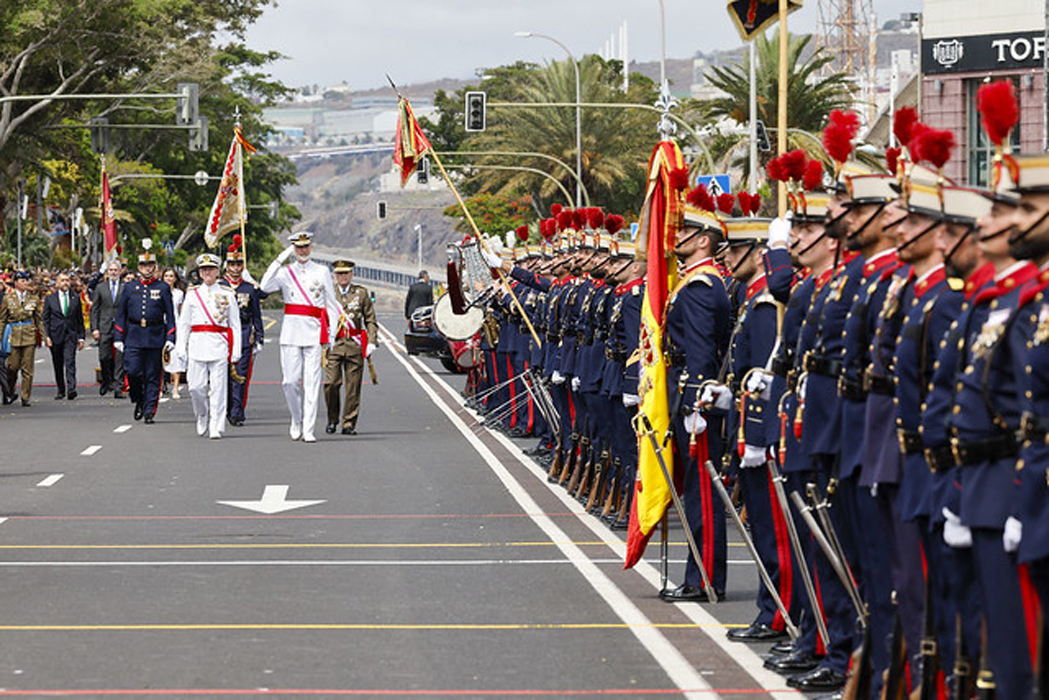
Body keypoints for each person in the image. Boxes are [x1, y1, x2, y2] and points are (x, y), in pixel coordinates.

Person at [260, 230, 341, 443]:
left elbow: (331, 305)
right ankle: (296, 418)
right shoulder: (285, 272)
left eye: (305, 246)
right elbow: (264, 286)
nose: (303, 251)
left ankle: (308, 428)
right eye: (298, 247)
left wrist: (331, 335)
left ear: (311, 247)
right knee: (289, 382)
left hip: (314, 333)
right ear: (293, 249)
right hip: (291, 333)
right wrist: (279, 259)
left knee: (312, 383)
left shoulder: (322, 271)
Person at [175, 253, 241, 439]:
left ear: (218, 271)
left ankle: (216, 425)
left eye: (211, 269)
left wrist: (235, 351)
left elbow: (235, 325)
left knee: (219, 389)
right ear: (200, 273)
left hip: (219, 344)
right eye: (204, 270)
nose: (207, 273)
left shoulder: (227, 294)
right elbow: (184, 324)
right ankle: (202, 414)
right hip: (197, 345)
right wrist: (181, 347)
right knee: (196, 388)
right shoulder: (193, 294)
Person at [114, 239, 176, 424]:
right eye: (143, 264)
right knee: (132, 372)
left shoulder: (162, 287)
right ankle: (138, 399)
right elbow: (121, 314)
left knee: (152, 375)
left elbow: (170, 315)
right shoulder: (130, 287)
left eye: (150, 265)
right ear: (139, 266)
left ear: (154, 266)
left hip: (155, 335)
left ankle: (149, 409)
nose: (146, 268)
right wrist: (118, 336)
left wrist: (171, 337)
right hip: (133, 335)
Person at [324, 260, 378, 435]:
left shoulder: (360, 293)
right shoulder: (328, 293)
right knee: (331, 384)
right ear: (334, 276)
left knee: (353, 388)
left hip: (354, 344)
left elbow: (370, 319)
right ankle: (332, 419)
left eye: (346, 273)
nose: (342, 277)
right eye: (339, 274)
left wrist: (371, 341)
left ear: (351, 274)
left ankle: (348, 423)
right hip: (334, 344)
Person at [219, 234, 266, 427]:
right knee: (222, 375)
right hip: (223, 333)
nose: (235, 269)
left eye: (239, 265)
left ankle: (237, 412)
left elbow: (257, 314)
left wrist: (260, 337)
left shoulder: (249, 288)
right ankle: (225, 408)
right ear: (226, 266)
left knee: (239, 375)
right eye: (232, 265)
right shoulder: (219, 287)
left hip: (244, 333)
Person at [0, 270, 45, 406]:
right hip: (12, 335)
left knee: (28, 369)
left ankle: (25, 397)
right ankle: (10, 390)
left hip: (28, 335)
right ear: (16, 283)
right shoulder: (8, 299)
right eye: (22, 281)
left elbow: (39, 320)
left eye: (26, 281)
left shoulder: (33, 298)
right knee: (12, 366)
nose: (25, 283)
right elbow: (2, 320)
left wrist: (43, 336)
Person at [42, 270, 85, 400]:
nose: (65, 283)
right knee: (58, 363)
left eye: (67, 280)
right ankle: (61, 389)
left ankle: (72, 388)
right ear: (57, 283)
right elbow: (46, 319)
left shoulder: (75, 298)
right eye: (62, 281)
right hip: (55, 335)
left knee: (70, 361)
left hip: (70, 335)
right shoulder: (50, 299)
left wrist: (81, 337)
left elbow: (79, 320)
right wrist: (47, 336)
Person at [90, 260, 126, 398]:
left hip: (120, 328)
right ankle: (107, 380)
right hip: (104, 326)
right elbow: (95, 309)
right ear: (107, 272)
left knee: (119, 358)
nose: (113, 272)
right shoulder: (100, 287)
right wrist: (95, 328)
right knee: (104, 357)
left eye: (115, 270)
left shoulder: (125, 287)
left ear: (119, 271)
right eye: (111, 270)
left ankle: (118, 387)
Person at [162, 267, 186, 399]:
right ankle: (161, 386)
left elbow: (181, 312)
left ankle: (175, 388)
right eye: (166, 276)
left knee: (176, 357)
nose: (169, 279)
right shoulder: (158, 291)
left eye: (171, 276)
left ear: (175, 279)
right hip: (161, 326)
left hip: (175, 327)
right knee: (160, 357)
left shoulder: (179, 294)